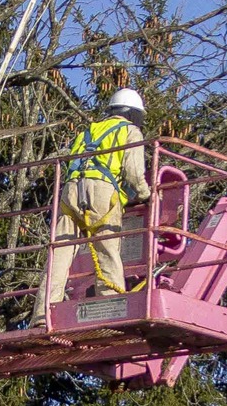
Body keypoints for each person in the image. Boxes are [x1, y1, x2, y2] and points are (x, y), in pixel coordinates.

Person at [39, 86, 153, 313]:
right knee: (107, 249)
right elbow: (133, 173)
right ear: (134, 113)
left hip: (70, 192)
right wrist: (145, 195)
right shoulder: (130, 131)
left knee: (59, 254)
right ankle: (110, 306)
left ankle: (43, 312)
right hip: (101, 192)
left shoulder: (87, 132)